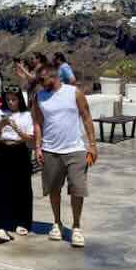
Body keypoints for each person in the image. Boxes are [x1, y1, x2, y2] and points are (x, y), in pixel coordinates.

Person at [32, 63, 98, 248]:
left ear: (54, 76)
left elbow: (86, 117)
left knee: (77, 190)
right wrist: (38, 147)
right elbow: (37, 122)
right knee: (54, 189)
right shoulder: (39, 97)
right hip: (51, 150)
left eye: (42, 79)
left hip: (75, 149)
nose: (40, 83)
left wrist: (92, 145)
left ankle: (76, 227)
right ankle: (57, 223)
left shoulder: (74, 93)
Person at [0, 86, 34, 243]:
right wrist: (1, 124)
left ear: (19, 99)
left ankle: (23, 220)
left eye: (14, 100)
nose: (11, 103)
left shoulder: (26, 115)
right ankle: (0, 224)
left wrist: (16, 128)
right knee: (2, 186)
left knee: (22, 186)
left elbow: (29, 137)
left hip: (20, 149)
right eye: (8, 100)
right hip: (4, 150)